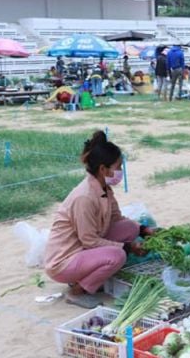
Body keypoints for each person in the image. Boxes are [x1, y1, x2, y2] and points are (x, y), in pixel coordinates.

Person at [44, 131, 155, 308]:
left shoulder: (104, 188)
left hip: (82, 248)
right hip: (64, 260)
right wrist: (128, 247)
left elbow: (117, 219)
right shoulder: (84, 197)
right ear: (103, 169)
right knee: (118, 255)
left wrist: (143, 230)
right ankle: (77, 292)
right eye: (118, 167)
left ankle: (87, 275)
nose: (120, 171)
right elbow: (89, 240)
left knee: (129, 228)